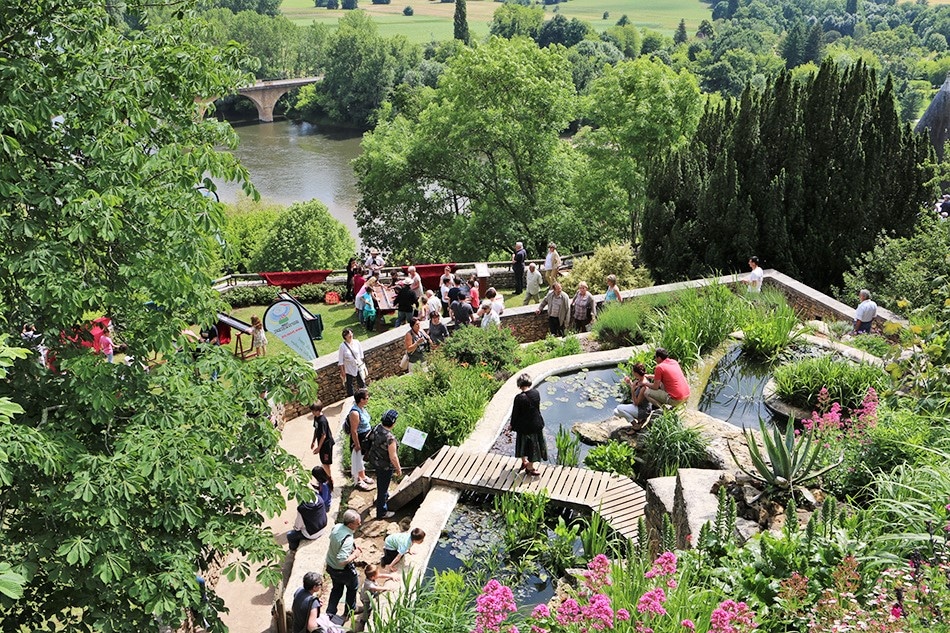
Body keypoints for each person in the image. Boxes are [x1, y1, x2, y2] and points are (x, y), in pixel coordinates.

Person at [325, 509, 363, 621]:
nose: (360, 524)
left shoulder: (337, 527)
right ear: (350, 524)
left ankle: (330, 613)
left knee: (336, 589)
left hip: (330, 565)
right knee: (352, 587)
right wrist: (355, 555)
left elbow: (335, 543)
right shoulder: (348, 539)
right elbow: (341, 560)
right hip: (342, 569)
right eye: (358, 523)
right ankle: (350, 610)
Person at [366, 409, 402, 520]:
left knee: (382, 484)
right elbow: (393, 457)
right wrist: (398, 469)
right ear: (393, 423)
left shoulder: (377, 428)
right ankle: (381, 512)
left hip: (375, 461)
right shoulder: (390, 439)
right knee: (382, 488)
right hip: (385, 466)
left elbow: (369, 438)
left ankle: (385, 495)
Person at [510, 373, 546, 475]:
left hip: (523, 428)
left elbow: (515, 414)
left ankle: (524, 462)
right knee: (534, 448)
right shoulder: (536, 393)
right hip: (535, 425)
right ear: (529, 382)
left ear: (519, 384)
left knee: (522, 445)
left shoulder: (519, 398)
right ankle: (529, 468)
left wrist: (512, 425)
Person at [346, 389, 375, 491]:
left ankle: (363, 476)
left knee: (361, 459)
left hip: (365, 437)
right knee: (356, 459)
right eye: (366, 398)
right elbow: (354, 431)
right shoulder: (355, 413)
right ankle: (358, 480)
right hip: (359, 439)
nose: (368, 399)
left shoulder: (362, 408)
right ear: (361, 400)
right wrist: (357, 444)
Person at [614, 363, 650, 427]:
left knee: (619, 408)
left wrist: (632, 391)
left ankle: (635, 425)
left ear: (636, 373)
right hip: (638, 408)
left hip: (642, 411)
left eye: (633, 371)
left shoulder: (644, 386)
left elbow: (636, 403)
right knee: (616, 412)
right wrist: (629, 383)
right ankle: (640, 420)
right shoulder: (639, 380)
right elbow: (635, 390)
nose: (632, 372)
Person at [310, 401, 334, 484]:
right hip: (322, 444)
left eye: (314, 411)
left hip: (326, 444)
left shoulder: (322, 421)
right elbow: (316, 430)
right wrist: (313, 441)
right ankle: (328, 476)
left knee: (326, 463)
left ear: (318, 410)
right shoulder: (316, 418)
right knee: (324, 462)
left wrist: (318, 448)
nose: (312, 412)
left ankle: (330, 480)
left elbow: (323, 435)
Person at [338, 328, 366, 397]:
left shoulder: (357, 342)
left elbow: (361, 355)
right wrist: (342, 371)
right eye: (348, 334)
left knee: (361, 380)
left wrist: (362, 365)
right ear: (345, 336)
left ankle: (364, 395)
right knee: (349, 384)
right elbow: (341, 360)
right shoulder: (342, 346)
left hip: (358, 366)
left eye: (351, 333)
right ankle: (351, 398)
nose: (350, 335)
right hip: (348, 367)